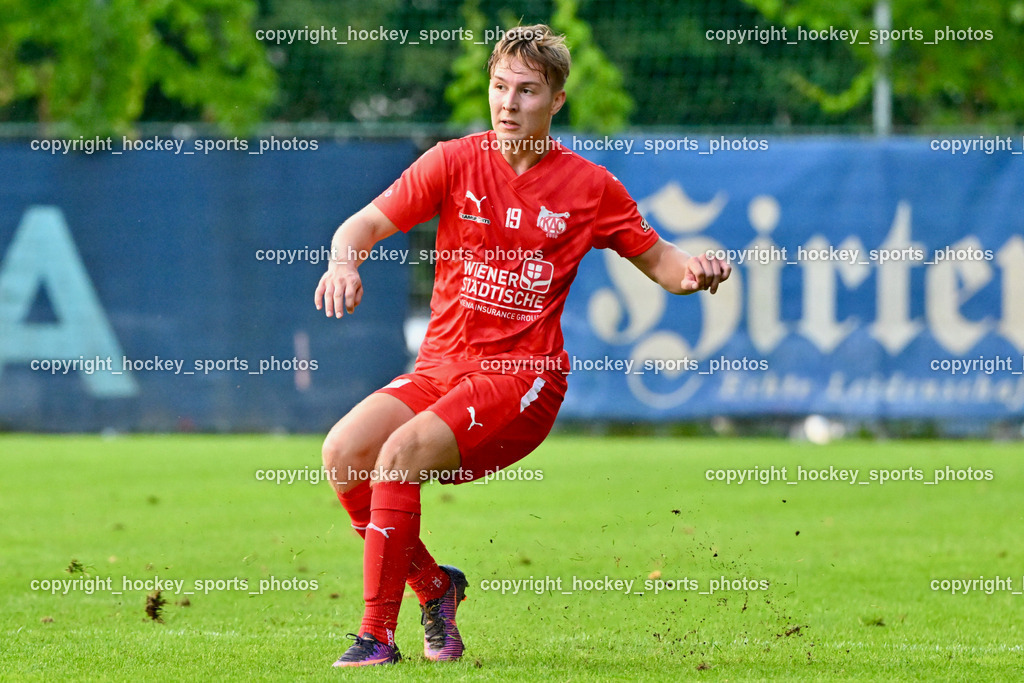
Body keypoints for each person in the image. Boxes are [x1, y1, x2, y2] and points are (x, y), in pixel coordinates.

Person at [313, 24, 731, 667]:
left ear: (556, 100)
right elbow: (362, 225)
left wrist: (697, 271)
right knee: (343, 454)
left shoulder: (590, 188)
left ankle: (376, 637)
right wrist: (345, 262)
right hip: (441, 369)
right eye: (499, 87)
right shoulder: (453, 161)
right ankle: (435, 588)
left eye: (527, 91)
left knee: (398, 454)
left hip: (522, 379)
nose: (508, 103)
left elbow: (665, 265)